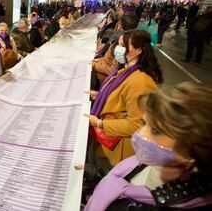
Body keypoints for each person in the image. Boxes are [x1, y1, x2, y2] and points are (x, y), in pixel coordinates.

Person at [85, 82, 212, 210]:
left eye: (156, 131)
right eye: (144, 122)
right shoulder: (148, 160)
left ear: (192, 151)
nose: (140, 133)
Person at [86, 29, 163, 175]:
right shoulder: (126, 69)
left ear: (138, 50)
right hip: (107, 141)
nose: (117, 49)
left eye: (122, 45)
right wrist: (100, 95)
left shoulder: (141, 81)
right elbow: (121, 96)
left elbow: (137, 124)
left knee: (105, 177)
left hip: (117, 148)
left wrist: (99, 123)